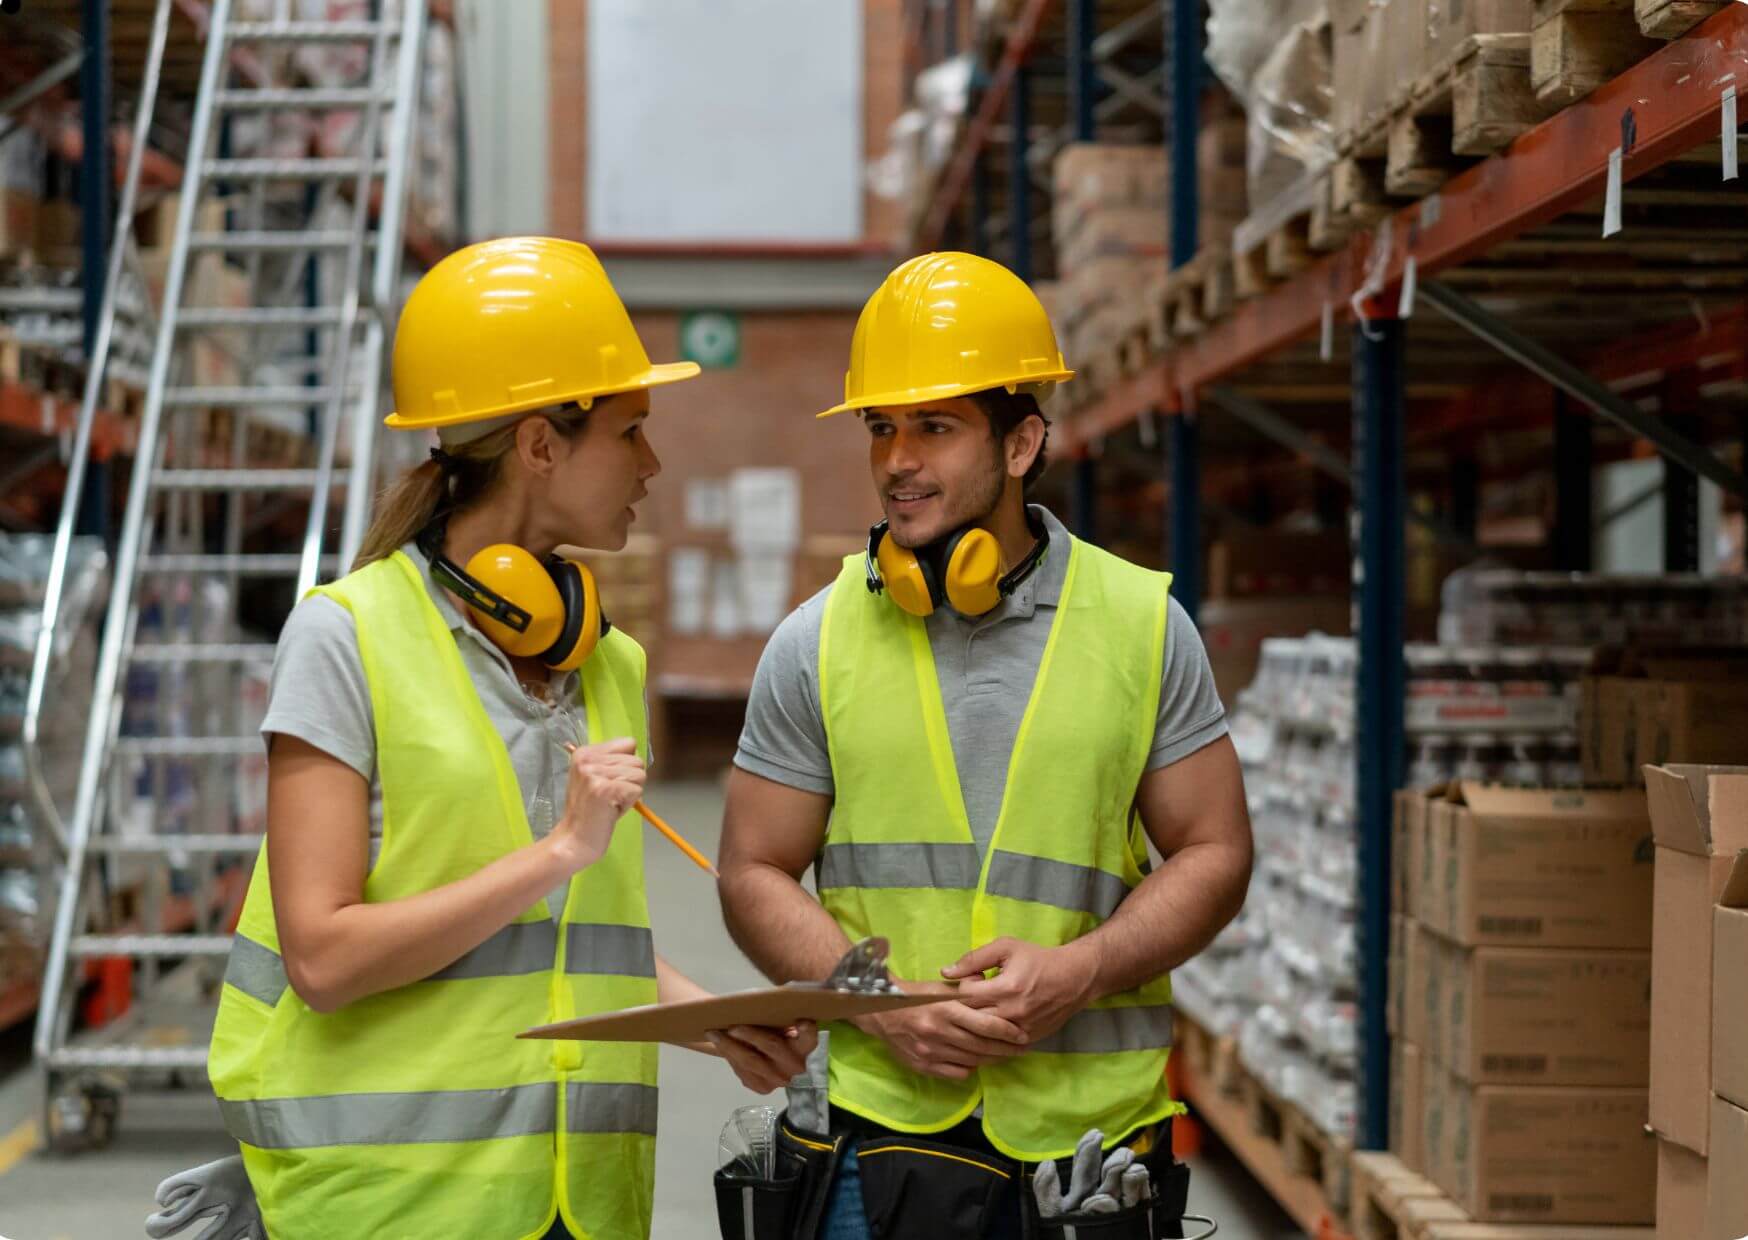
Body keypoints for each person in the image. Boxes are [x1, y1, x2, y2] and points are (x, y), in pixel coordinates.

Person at [205, 237, 816, 1240]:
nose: (652, 465)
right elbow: (321, 957)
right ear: (540, 444)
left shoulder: (604, 660)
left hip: (579, 1199)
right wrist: (562, 849)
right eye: (630, 431)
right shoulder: (347, 635)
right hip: (396, 1203)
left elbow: (559, 943)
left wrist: (708, 1019)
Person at [716, 252, 1254, 1238]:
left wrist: (1081, 969)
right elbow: (751, 869)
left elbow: (1215, 850)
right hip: (868, 1144)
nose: (895, 460)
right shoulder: (816, 639)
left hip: (1087, 1156)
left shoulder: (1139, 624)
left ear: (1020, 443)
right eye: (881, 427)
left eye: (934, 425)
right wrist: (878, 1003)